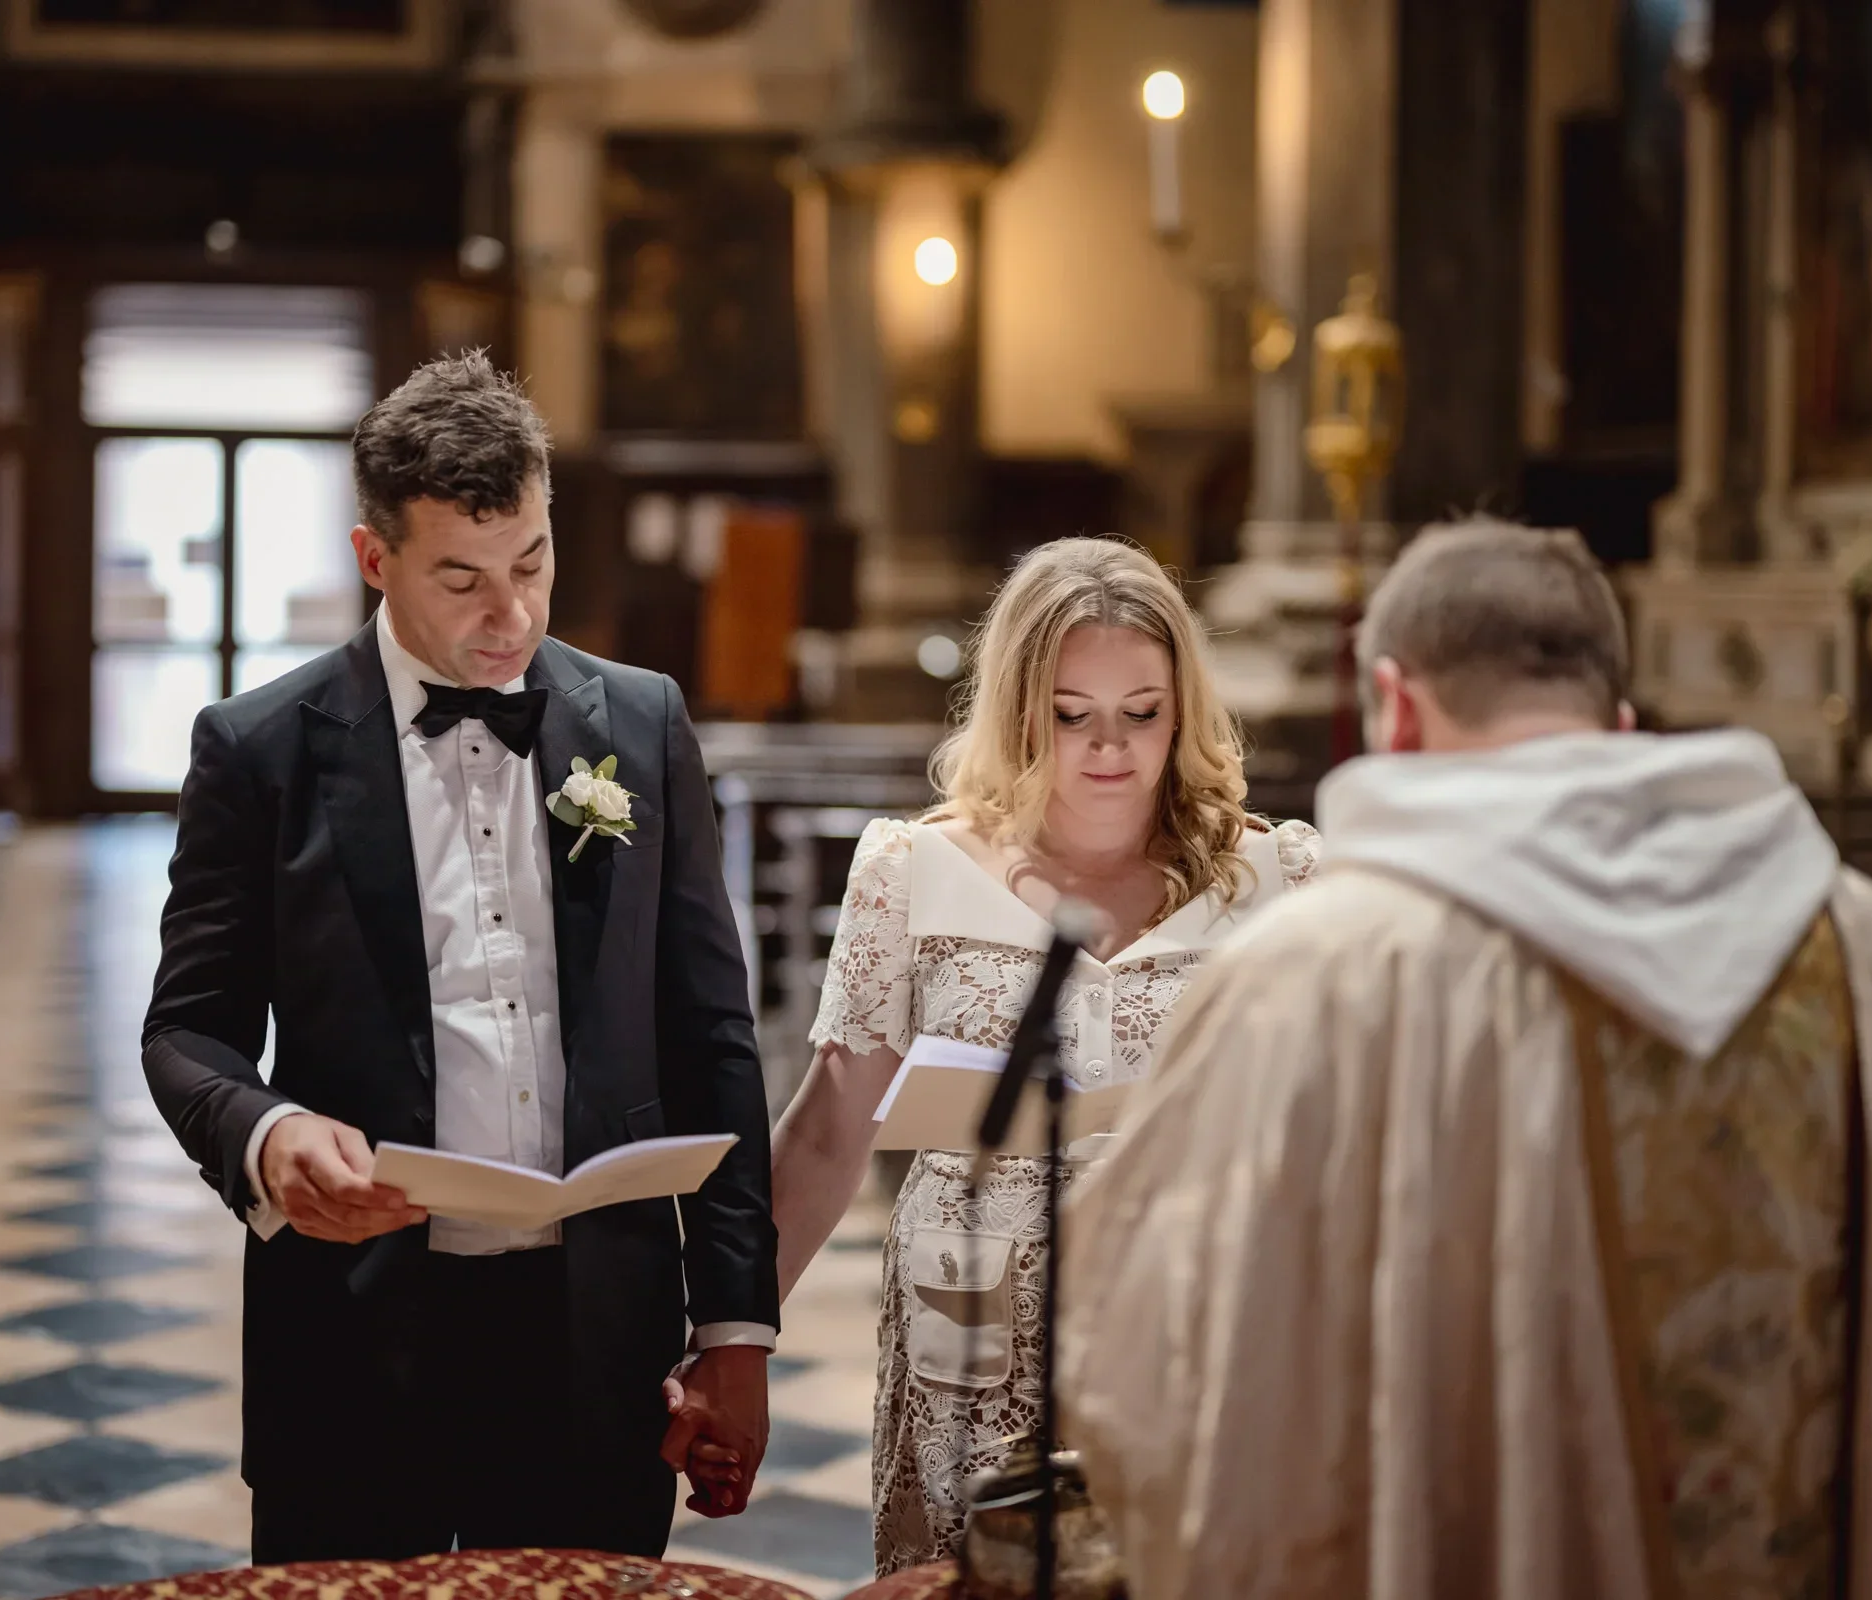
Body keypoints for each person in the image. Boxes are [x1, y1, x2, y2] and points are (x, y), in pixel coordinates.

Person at [1061, 518, 1872, 1599]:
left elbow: (1155, 1381)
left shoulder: (1324, 969)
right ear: (1619, 723)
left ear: (1394, 707)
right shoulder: (1862, 945)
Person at [140, 352, 779, 1564]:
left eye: (532, 561)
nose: (513, 617)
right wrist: (269, 1135)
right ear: (374, 560)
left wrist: (735, 1327)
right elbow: (185, 1032)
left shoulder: (640, 724)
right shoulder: (260, 748)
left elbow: (712, 1034)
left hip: (598, 1331)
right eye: (462, 578)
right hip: (355, 1328)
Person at [768, 537, 1320, 1574]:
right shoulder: (913, 871)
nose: (1109, 748)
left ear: (1183, 708)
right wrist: (733, 1339)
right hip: (973, 1347)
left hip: (1195, 1331)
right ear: (1021, 707)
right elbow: (829, 1130)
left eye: (1142, 713)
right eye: (1072, 715)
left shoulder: (1276, 874)